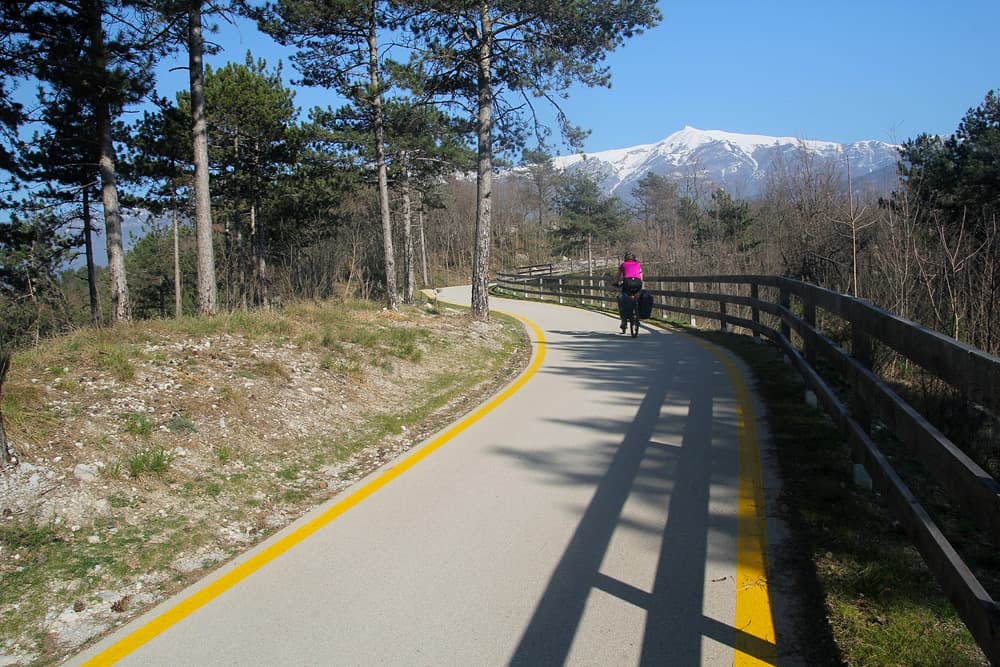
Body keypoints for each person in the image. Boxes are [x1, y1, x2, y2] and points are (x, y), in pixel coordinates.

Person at [616, 251, 643, 333]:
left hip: (627, 284)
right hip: (638, 283)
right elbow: (641, 276)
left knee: (621, 299)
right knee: (638, 297)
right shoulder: (638, 265)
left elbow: (618, 275)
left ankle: (624, 321)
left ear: (625, 259)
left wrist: (617, 282)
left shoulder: (623, 265)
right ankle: (637, 314)